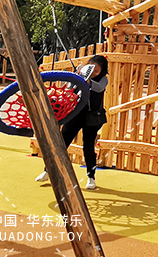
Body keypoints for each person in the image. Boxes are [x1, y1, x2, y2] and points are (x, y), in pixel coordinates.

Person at [36, 54, 109, 191]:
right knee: (62, 143)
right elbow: (69, 89)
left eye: (97, 70)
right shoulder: (79, 75)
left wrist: (87, 81)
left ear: (102, 70)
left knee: (88, 147)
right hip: (75, 114)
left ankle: (91, 177)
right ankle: (48, 171)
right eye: (91, 68)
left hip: (92, 118)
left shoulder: (103, 79)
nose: (93, 72)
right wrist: (76, 77)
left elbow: (99, 88)